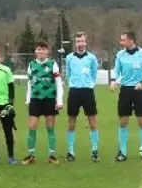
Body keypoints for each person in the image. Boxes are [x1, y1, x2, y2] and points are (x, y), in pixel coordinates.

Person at [110, 31, 142, 163]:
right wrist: (113, 80)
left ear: (131, 41)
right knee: (123, 122)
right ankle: (122, 152)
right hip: (125, 90)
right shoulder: (120, 55)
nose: (121, 42)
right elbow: (116, 70)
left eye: (123, 40)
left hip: (139, 90)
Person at [24, 41, 64, 164]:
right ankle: (31, 155)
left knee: (50, 127)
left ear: (47, 51)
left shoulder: (52, 64)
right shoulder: (31, 65)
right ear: (36, 51)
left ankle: (51, 155)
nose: (41, 51)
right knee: (31, 127)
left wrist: (59, 100)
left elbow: (58, 83)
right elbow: (30, 83)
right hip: (35, 99)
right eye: (38, 49)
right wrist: (27, 99)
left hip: (49, 99)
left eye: (43, 49)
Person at [64, 32, 100, 162]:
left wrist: (89, 84)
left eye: (82, 41)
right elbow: (68, 74)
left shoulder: (91, 58)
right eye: (78, 41)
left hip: (87, 92)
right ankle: (70, 151)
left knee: (92, 123)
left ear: (86, 42)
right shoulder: (69, 58)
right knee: (71, 123)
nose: (80, 43)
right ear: (75, 43)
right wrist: (73, 84)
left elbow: (94, 74)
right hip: (74, 92)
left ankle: (94, 151)